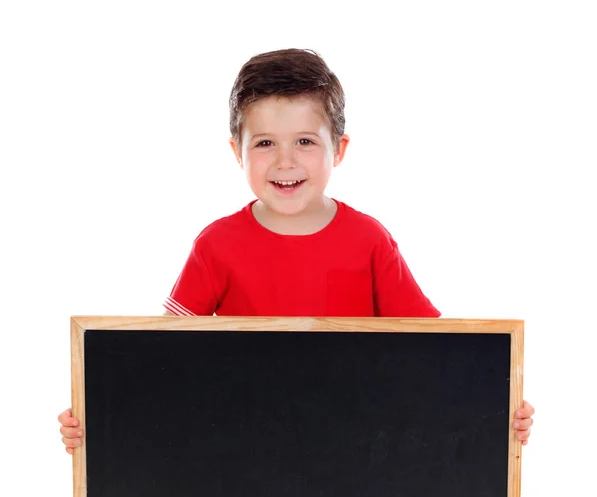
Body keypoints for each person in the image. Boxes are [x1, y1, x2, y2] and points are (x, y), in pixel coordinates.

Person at [58, 48, 535, 452]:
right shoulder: (217, 245)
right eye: (265, 142)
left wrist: (494, 410)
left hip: (355, 446)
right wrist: (99, 416)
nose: (285, 161)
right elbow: (160, 360)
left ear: (339, 149)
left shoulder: (369, 240)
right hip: (243, 447)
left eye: (305, 141)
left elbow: (434, 353)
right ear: (237, 152)